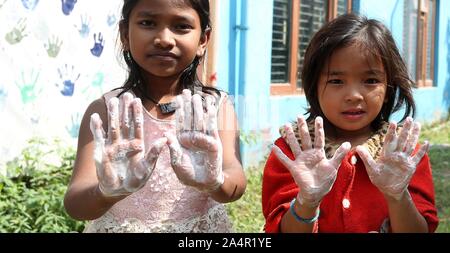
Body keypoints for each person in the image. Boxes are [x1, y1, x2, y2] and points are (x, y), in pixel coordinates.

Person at [64, 0, 246, 233]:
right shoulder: (106, 112)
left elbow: (236, 182)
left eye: (181, 26)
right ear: (125, 34)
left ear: (203, 40)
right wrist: (106, 193)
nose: (165, 39)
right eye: (148, 23)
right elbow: (75, 205)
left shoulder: (216, 108)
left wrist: (215, 182)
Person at [262, 13, 438, 233]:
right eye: (336, 81)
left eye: (370, 80)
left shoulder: (405, 155)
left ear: (388, 88)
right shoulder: (293, 151)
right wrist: (307, 201)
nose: (354, 95)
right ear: (314, 88)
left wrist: (397, 195)